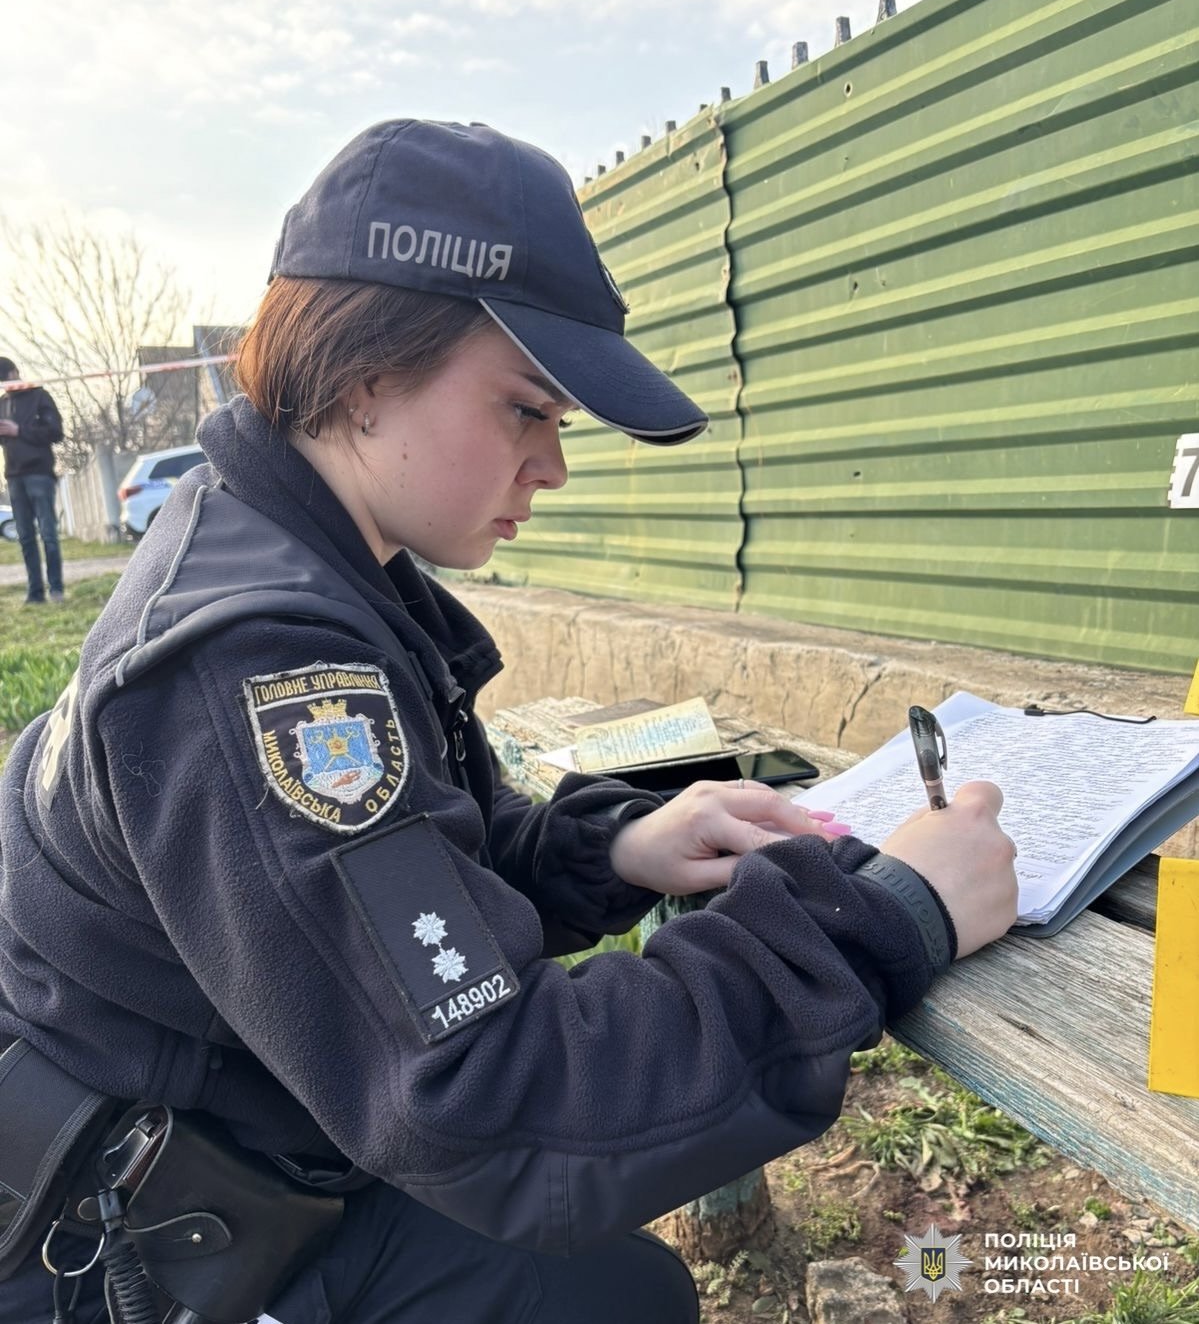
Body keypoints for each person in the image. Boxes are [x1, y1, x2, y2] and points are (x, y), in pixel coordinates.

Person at [0, 120, 1018, 1324]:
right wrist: (882, 916)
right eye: (525, 410)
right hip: (143, 1250)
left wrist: (612, 849)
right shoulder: (259, 664)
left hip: (272, 1121)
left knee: (618, 1292)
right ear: (367, 372)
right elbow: (495, 1101)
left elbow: (409, 876)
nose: (552, 467)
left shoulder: (306, 558)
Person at [0, 356, 65, 604]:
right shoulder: (2, 403)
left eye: (6, 378)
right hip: (14, 476)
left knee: (48, 533)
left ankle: (56, 589)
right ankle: (35, 593)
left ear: (16, 372)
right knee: (25, 536)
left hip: (40, 473)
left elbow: (56, 432)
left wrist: (19, 430)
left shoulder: (39, 395)